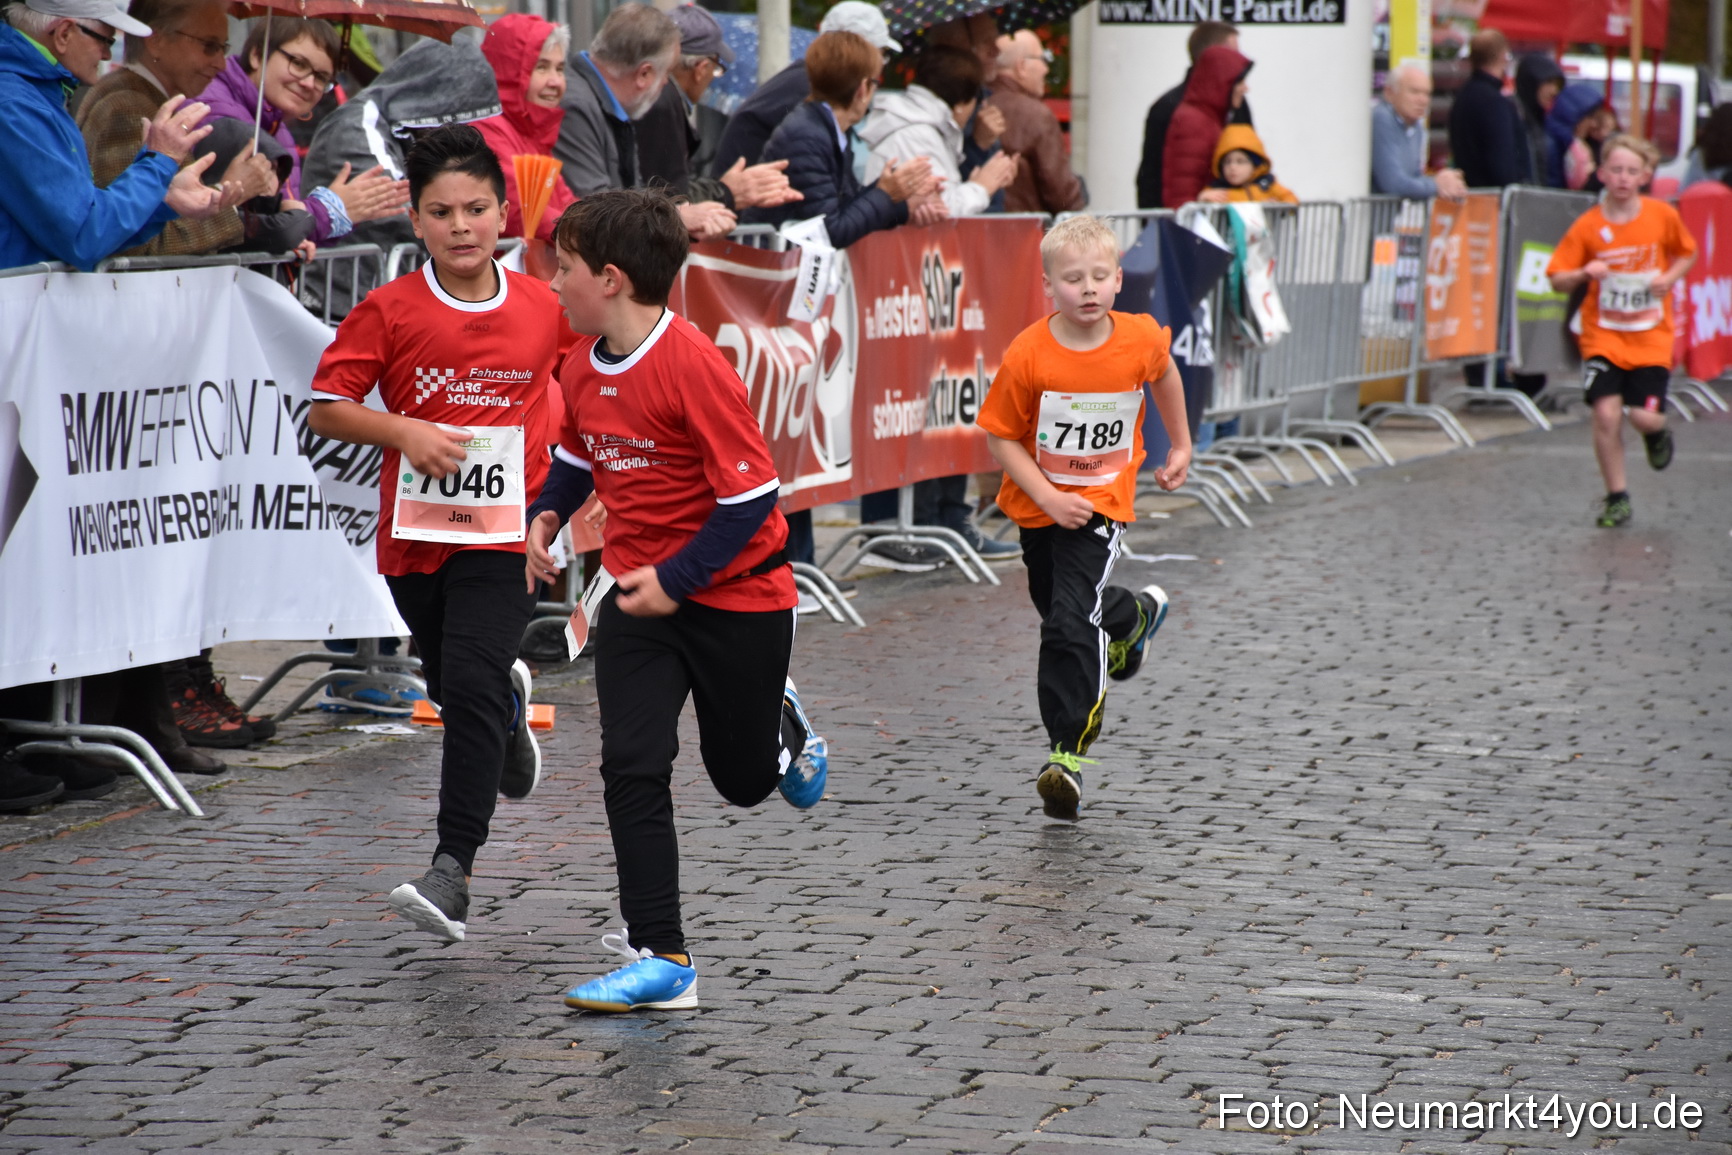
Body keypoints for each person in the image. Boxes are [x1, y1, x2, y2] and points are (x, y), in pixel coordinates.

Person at [524, 188, 829, 1012]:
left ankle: (780, 722)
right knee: (632, 762)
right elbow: (580, 453)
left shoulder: (694, 364)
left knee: (741, 783)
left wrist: (678, 580)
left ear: (613, 279)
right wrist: (547, 513)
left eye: (567, 268)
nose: (552, 282)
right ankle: (664, 956)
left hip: (737, 598)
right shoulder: (580, 361)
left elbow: (752, 499)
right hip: (635, 597)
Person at [306, 124, 561, 942]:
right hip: (415, 544)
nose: (461, 226)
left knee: (473, 686)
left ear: (503, 215)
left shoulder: (542, 308)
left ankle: (452, 871)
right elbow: (325, 407)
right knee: (459, 685)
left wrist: (565, 509)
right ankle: (504, 711)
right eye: (442, 211)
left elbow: (588, 396)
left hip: (504, 534)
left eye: (478, 209)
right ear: (415, 220)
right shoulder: (390, 309)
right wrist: (404, 432)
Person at [975, 215, 1190, 822]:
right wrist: (1047, 498)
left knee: (1067, 621)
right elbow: (1000, 439)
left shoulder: (1140, 338)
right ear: (1049, 287)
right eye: (1074, 279)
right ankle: (1136, 617)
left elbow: (1165, 374)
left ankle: (1065, 754)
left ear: (1120, 279)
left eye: (1100, 276)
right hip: (1041, 509)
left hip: (1100, 506)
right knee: (1061, 607)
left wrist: (1181, 445)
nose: (1088, 289)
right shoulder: (1030, 353)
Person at [742, 29, 936, 568]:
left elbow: (844, 209)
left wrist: (897, 200)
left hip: (798, 299)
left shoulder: (826, 129)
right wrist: (888, 195)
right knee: (784, 433)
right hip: (780, 301)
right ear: (864, 87)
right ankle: (788, 564)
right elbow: (827, 228)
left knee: (797, 434)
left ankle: (797, 563)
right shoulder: (807, 132)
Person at [0, 0, 229, 270]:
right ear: (63, 34)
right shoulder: (15, 104)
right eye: (105, 41)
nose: (108, 56)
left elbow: (88, 228)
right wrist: (159, 162)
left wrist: (162, 198)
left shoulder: (33, 97)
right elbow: (84, 236)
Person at [1546, 135, 1695, 530]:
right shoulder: (1589, 225)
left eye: (1632, 171)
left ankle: (1658, 433)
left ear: (1645, 176)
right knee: (1606, 414)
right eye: (1616, 170)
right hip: (1603, 335)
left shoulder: (1661, 216)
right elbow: (1557, 278)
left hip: (1649, 335)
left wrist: (1668, 277)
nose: (1624, 179)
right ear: (1601, 174)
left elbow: (1687, 251)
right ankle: (1617, 497)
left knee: (1643, 418)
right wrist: (1582, 273)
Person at [300, 34, 502, 317]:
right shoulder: (358, 124)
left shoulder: (408, 129)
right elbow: (401, 205)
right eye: (454, 110)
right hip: (340, 304)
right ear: (433, 94)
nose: (456, 125)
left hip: (378, 296)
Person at [76, 0, 279, 258]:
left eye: (223, 48)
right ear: (156, 40)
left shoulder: (134, 97)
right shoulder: (128, 107)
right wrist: (228, 195)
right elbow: (135, 244)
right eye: (210, 46)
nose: (222, 63)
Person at [196, 16, 408, 248]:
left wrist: (307, 229)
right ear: (257, 55)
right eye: (298, 64)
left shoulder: (278, 129)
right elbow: (228, 230)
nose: (308, 83)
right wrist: (328, 211)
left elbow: (278, 228)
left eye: (321, 77)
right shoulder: (216, 109)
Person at [635, 3, 801, 215]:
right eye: (715, 69)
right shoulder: (663, 103)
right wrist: (725, 192)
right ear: (701, 68)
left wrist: (723, 191)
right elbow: (667, 199)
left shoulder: (651, 99)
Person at [707, 0, 899, 179]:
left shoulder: (809, 78)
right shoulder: (814, 87)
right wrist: (885, 196)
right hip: (741, 205)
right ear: (856, 50)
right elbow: (825, 200)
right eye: (881, 53)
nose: (881, 64)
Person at [859, 44, 1017, 218]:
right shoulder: (917, 135)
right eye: (976, 100)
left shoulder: (923, 129)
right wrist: (982, 186)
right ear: (961, 105)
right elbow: (941, 209)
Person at [474, 12, 576, 242]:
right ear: (508, 72)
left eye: (559, 69)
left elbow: (566, 204)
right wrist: (592, 234)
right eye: (541, 67)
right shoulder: (487, 129)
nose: (555, 82)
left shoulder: (531, 132)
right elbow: (522, 212)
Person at [1135, 20, 1242, 211]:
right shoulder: (1169, 108)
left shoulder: (1236, 105)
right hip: (1185, 222)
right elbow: (1151, 175)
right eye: (1232, 53)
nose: (1238, 62)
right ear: (1213, 57)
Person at [991, 29, 1083, 214]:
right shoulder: (1036, 115)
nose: (1046, 69)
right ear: (1022, 66)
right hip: (1027, 234)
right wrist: (1081, 195)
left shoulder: (974, 104)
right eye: (1041, 59)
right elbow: (1061, 194)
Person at [1161, 42, 1250, 209]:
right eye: (1239, 82)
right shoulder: (1194, 121)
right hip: (1194, 225)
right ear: (1222, 83)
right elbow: (1183, 187)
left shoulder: (1211, 117)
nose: (1245, 88)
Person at [1371, 62, 1467, 200]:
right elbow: (1392, 183)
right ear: (1389, 93)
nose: (1422, 100)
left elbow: (1414, 176)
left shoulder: (1416, 128)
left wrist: (1442, 182)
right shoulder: (1381, 119)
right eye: (1414, 92)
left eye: (1427, 94)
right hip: (1365, 217)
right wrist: (1437, 185)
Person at [1447, 29, 1529, 189]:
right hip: (1494, 200)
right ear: (1502, 55)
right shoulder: (1495, 102)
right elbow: (1502, 161)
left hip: (1469, 195)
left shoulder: (1462, 97)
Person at [1200, 123, 1296, 203]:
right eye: (1227, 162)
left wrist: (1277, 207)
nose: (1232, 167)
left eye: (1240, 161)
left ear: (1255, 165)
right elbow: (1202, 209)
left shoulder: (1266, 185)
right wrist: (1203, 198)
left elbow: (1291, 199)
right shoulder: (1218, 189)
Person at [1545, 83, 1610, 191]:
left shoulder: (1587, 143)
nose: (1593, 124)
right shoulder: (1555, 147)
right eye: (1589, 117)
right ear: (1572, 116)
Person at [1514, 53, 1563, 188]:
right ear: (1531, 82)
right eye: (1548, 82)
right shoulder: (1514, 117)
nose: (1554, 91)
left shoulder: (1545, 121)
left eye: (1557, 84)